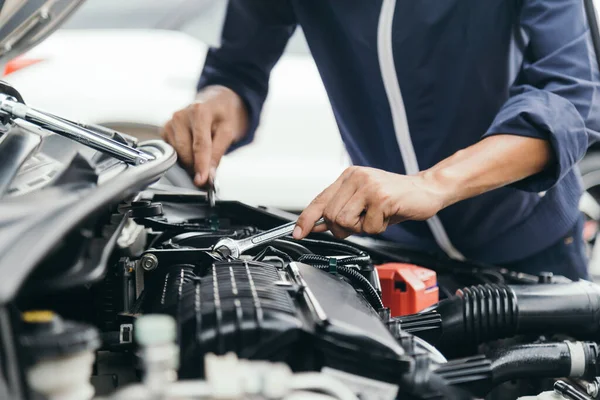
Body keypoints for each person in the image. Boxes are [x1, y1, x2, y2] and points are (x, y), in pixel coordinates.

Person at [161, 0, 600, 281]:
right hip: (397, 256)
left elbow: (571, 96)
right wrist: (216, 100)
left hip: (533, 250)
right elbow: (238, 69)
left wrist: (431, 183)